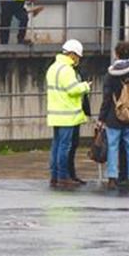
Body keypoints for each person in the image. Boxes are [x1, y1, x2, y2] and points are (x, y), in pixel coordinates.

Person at [98, 41, 129, 190]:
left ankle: (112, 178)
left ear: (116, 54)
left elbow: (106, 98)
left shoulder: (110, 75)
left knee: (112, 147)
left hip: (114, 117)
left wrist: (101, 118)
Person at [45, 39, 90, 189]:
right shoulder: (67, 70)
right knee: (65, 147)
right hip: (67, 115)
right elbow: (72, 89)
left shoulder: (53, 68)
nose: (78, 60)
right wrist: (85, 86)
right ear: (72, 54)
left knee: (56, 146)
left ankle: (54, 176)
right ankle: (63, 177)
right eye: (77, 56)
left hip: (55, 114)